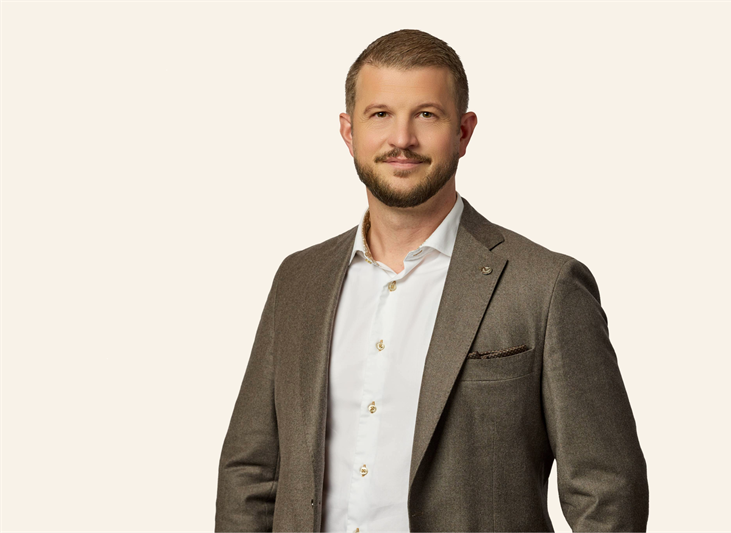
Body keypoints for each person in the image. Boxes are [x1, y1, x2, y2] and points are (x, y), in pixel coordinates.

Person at [215, 29, 648, 532]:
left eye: (426, 114)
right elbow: (250, 475)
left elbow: (607, 492)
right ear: (348, 132)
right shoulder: (298, 280)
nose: (401, 139)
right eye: (380, 114)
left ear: (463, 132)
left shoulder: (545, 288)